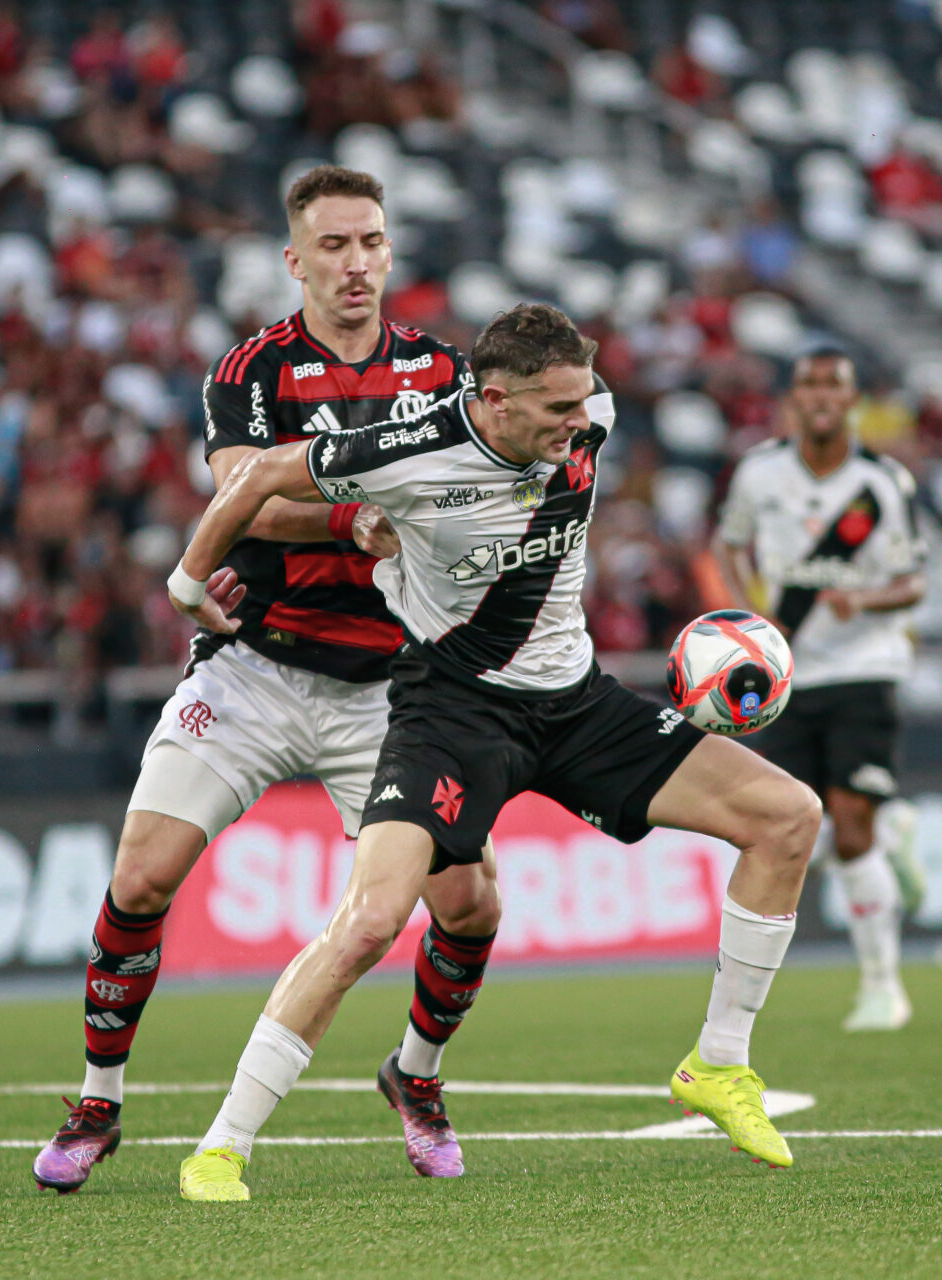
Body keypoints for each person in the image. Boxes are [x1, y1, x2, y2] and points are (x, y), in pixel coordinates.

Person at [165, 303, 822, 1201]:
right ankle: (223, 1145)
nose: (580, 424)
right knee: (368, 922)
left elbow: (590, 414)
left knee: (789, 817)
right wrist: (189, 580)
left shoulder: (587, 417)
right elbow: (254, 479)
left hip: (578, 702)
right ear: (497, 400)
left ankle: (718, 1064)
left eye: (584, 404)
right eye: (558, 411)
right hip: (452, 713)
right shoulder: (408, 449)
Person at [31, 166, 504, 1193]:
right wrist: (356, 514)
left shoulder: (443, 371)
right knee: (141, 876)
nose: (356, 264)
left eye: (370, 242)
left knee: (470, 903)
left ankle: (416, 1077)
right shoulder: (250, 370)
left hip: (391, 688)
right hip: (255, 665)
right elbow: (241, 497)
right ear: (295, 262)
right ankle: (98, 1097)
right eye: (333, 246)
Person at [712, 347, 927, 1031]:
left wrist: (862, 603)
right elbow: (729, 544)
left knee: (849, 820)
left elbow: (915, 580)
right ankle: (894, 834)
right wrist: (753, 612)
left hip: (865, 667)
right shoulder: (759, 473)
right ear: (794, 399)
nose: (823, 396)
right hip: (790, 673)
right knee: (801, 826)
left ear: (854, 397)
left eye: (836, 383)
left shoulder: (883, 482)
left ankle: (882, 986)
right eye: (810, 384)